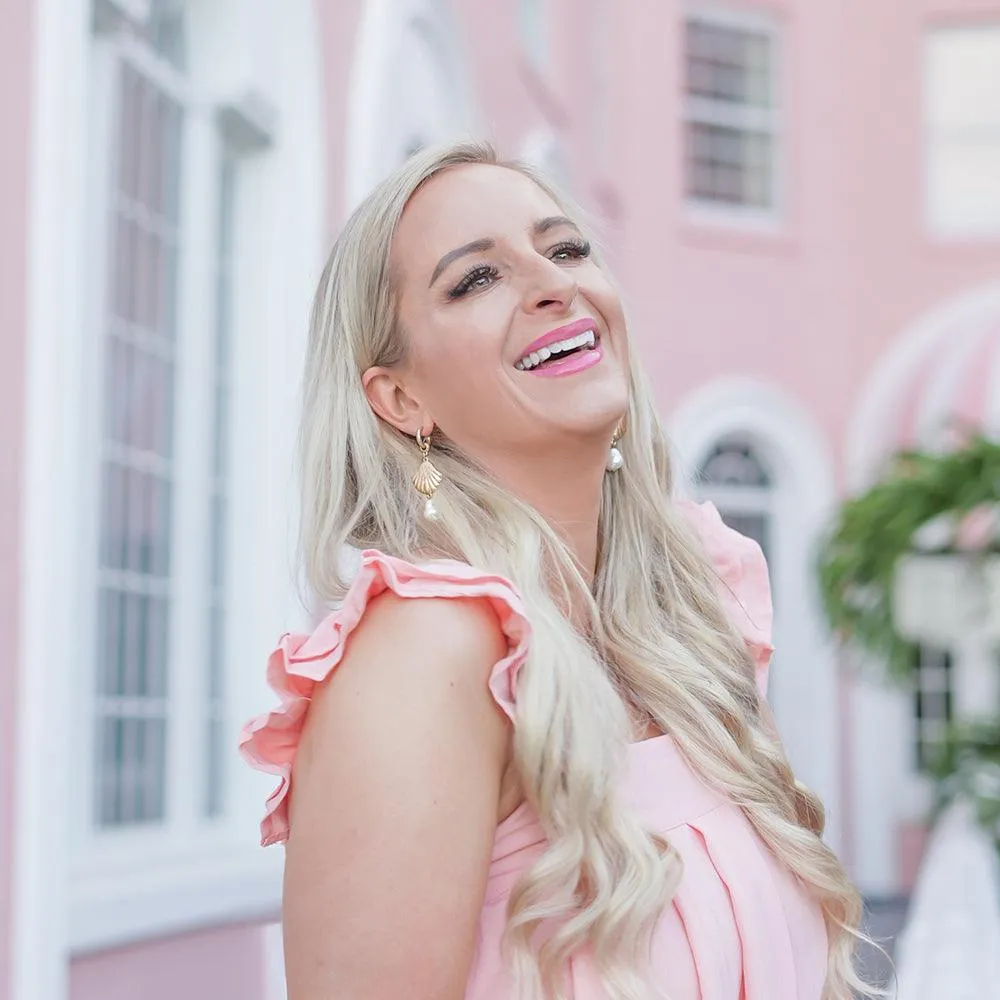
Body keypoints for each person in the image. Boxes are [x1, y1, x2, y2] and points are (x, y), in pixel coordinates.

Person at [240, 141, 874, 1000]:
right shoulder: (428, 654)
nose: (552, 285)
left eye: (566, 248)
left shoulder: (694, 611)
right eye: (476, 278)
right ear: (401, 399)